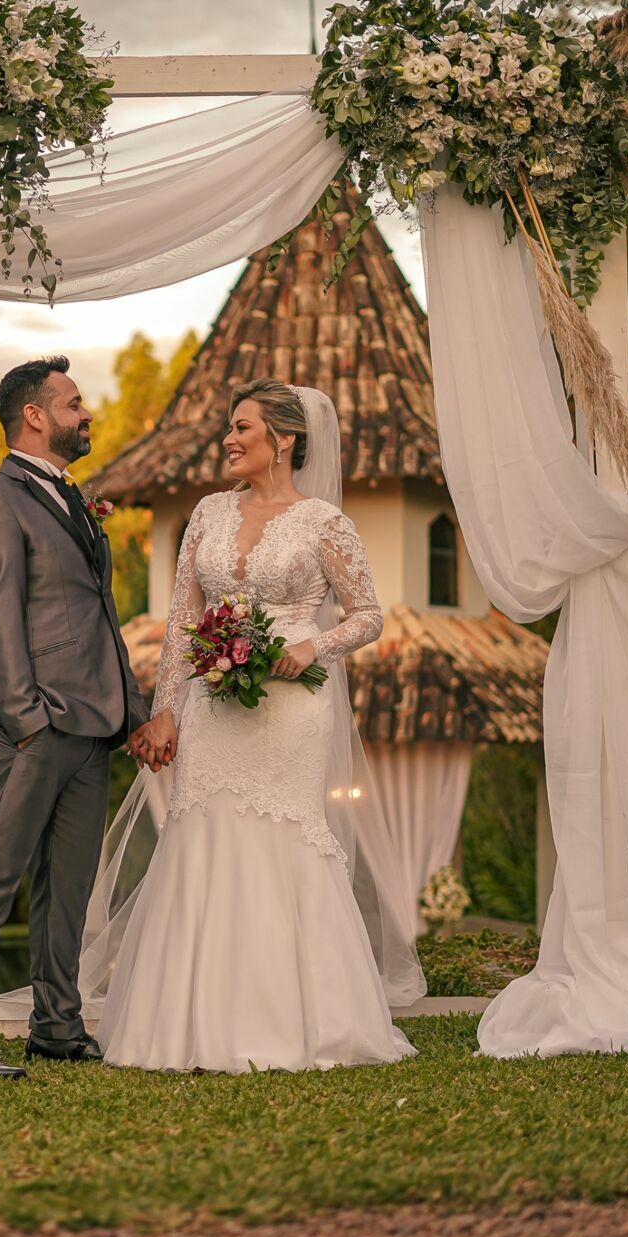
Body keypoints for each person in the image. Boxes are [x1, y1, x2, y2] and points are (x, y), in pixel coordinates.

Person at [92, 378, 422, 1073]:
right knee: (203, 832)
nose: (229, 440)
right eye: (230, 428)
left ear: (285, 439)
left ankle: (298, 1023)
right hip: (213, 705)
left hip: (292, 708)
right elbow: (183, 619)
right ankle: (186, 1026)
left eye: (242, 427)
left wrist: (314, 646)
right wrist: (165, 710)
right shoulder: (208, 513)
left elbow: (368, 615)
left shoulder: (324, 522)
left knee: (283, 838)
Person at [0, 356, 148, 1079]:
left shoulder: (72, 500)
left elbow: (100, 617)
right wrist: (26, 719)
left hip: (93, 724)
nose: (86, 415)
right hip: (30, 726)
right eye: (74, 403)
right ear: (35, 415)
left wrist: (131, 711)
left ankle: (57, 1025)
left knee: (69, 888)